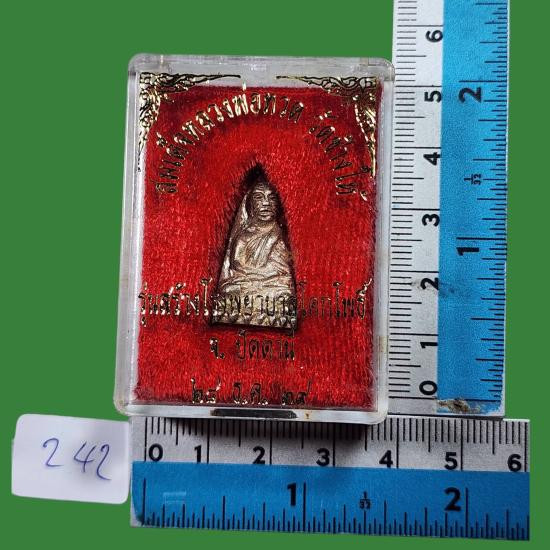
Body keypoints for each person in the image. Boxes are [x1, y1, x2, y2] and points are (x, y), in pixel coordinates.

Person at [213, 166, 296, 329]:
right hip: (242, 287)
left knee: (284, 297)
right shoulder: (243, 236)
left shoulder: (279, 235)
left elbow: (285, 275)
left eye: (271, 198)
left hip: (275, 289)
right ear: (250, 204)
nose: (266, 203)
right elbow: (235, 267)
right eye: (259, 197)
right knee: (228, 294)